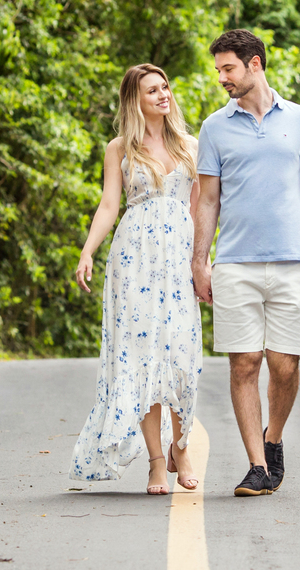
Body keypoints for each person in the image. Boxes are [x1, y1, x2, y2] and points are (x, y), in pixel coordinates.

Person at [192, 29, 300, 497]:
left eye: (228, 68)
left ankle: (272, 438)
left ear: (254, 64)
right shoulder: (215, 127)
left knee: (284, 365)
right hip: (235, 262)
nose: (222, 78)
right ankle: (256, 467)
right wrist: (201, 260)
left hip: (293, 261)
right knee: (244, 363)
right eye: (218, 69)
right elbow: (207, 200)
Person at [70, 64, 203, 495]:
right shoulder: (119, 149)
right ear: (135, 100)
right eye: (152, 90)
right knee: (144, 357)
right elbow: (110, 204)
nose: (163, 94)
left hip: (179, 259)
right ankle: (157, 462)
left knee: (180, 354)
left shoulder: (190, 145)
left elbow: (202, 210)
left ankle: (182, 448)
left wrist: (205, 261)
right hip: (135, 260)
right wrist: (88, 250)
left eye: (165, 86)